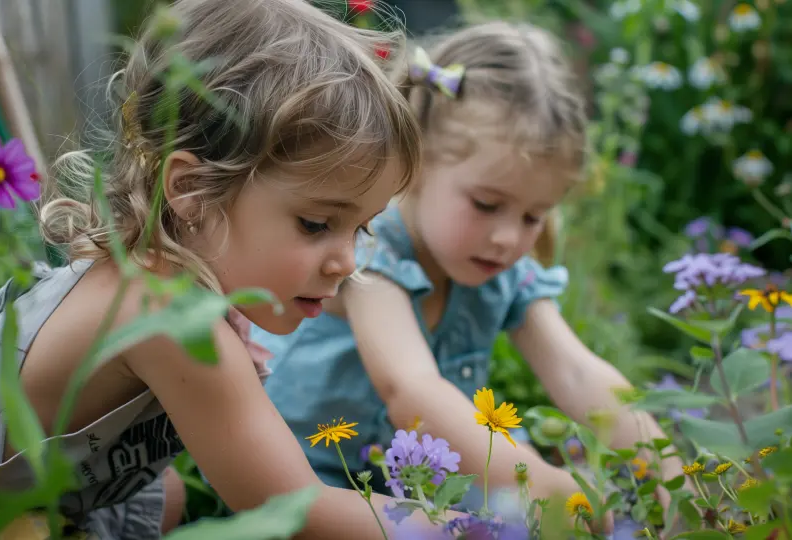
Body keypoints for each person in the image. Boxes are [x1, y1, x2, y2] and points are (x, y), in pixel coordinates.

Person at [0, 0, 434, 538]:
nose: (346, 262)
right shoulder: (167, 310)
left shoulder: (159, 273)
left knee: (161, 491)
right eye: (317, 224)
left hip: (63, 494)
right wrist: (486, 528)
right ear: (191, 191)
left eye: (360, 228)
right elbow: (295, 510)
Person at [260, 21, 686, 526]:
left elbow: (577, 371)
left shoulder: (503, 269)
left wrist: (666, 470)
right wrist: (545, 486)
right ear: (417, 163)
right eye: (487, 204)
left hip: (436, 475)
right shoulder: (369, 251)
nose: (508, 238)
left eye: (534, 216)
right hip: (320, 477)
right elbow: (411, 391)